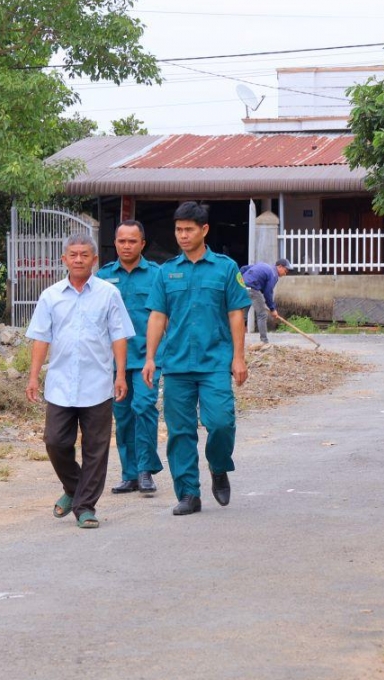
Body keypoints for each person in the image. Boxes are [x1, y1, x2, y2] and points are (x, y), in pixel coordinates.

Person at [142, 201, 252, 516]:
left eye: (189, 229)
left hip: (215, 361)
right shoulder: (166, 271)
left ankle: (218, 466)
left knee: (220, 422)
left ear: (204, 230)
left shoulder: (225, 268)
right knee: (180, 432)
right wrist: (150, 358)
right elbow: (157, 317)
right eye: (179, 229)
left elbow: (236, 314)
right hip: (176, 365)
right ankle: (189, 493)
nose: (183, 235)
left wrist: (239, 357)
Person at [25, 233, 133, 529]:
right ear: (64, 259)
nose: (79, 259)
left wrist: (120, 374)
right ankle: (74, 488)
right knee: (56, 442)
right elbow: (40, 338)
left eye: (85, 255)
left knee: (96, 449)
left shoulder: (109, 294)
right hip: (60, 383)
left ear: (94, 260)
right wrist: (33, 377)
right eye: (73, 255)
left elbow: (119, 335)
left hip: (98, 383)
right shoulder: (50, 296)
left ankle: (85, 506)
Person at [96, 220, 164, 497]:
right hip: (114, 361)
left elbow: (164, 316)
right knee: (122, 415)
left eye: (132, 241)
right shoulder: (102, 276)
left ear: (142, 244)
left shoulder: (157, 275)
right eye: (122, 241)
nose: (126, 246)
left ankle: (146, 470)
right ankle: (129, 474)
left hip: (148, 357)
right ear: (115, 243)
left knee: (144, 407)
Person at [239, 258, 292, 345]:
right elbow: (268, 293)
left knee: (242, 316)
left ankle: (236, 340)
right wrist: (272, 309)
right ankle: (264, 341)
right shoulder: (273, 274)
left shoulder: (263, 265)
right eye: (285, 271)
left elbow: (244, 268)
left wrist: (240, 281)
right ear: (280, 267)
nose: (285, 274)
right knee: (262, 314)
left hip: (242, 287)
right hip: (253, 288)